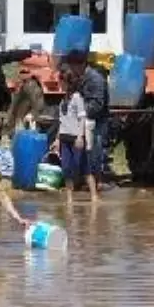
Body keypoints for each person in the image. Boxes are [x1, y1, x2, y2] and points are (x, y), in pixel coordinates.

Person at [63, 50, 110, 190]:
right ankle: (87, 182)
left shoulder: (95, 79)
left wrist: (78, 112)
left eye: (72, 66)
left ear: (81, 64)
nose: (70, 69)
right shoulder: (79, 77)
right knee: (86, 153)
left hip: (96, 122)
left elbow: (97, 104)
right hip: (85, 121)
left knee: (94, 152)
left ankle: (97, 183)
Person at [56, 69, 96, 206]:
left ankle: (94, 196)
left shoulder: (77, 97)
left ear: (67, 82)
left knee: (84, 167)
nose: (59, 84)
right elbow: (61, 120)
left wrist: (81, 136)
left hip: (75, 138)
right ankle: (69, 199)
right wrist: (57, 139)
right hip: (64, 138)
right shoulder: (63, 100)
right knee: (66, 168)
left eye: (60, 81)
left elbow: (82, 118)